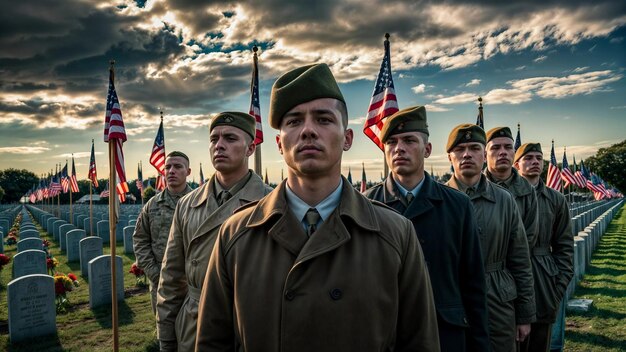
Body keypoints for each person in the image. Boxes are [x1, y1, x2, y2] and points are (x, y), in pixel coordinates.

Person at [196, 63, 440, 351]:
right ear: (279, 143)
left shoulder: (395, 234)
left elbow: (419, 342)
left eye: (323, 120)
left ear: (347, 138)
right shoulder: (236, 235)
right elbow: (213, 342)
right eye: (294, 121)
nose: (308, 130)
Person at [365, 106, 489, 351]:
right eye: (391, 142)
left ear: (428, 149)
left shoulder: (457, 205)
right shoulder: (367, 205)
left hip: (446, 333)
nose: (399, 148)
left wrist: (480, 344)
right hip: (389, 335)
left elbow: (473, 284)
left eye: (409, 140)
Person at [156, 112, 272, 351]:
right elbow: (171, 279)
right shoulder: (187, 205)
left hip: (250, 327)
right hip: (194, 327)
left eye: (230, 138)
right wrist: (167, 338)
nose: (219, 145)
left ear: (250, 149)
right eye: (214, 139)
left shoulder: (272, 202)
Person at [445, 123, 535, 352]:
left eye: (474, 148)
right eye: (460, 149)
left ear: (484, 155)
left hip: (498, 300)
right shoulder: (439, 200)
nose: (467, 154)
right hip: (454, 300)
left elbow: (520, 260)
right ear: (450, 157)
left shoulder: (505, 200)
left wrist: (524, 314)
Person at [514, 143, 574, 352]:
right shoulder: (505, 196)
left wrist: (557, 288)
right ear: (517, 164)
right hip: (511, 279)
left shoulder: (555, 199)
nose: (535, 162)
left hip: (544, 280)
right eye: (528, 158)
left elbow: (564, 246)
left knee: (539, 344)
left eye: (539, 158)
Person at [133, 151, 193, 315]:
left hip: (193, 283)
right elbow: (140, 240)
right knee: (165, 331)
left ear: (188, 172)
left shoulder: (200, 201)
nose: (171, 171)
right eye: (168, 167)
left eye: (178, 166)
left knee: (194, 332)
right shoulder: (152, 205)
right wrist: (154, 274)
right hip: (161, 280)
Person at [485, 127, 539, 250]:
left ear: (514, 153)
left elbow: (529, 237)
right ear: (484, 154)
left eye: (508, 147)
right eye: (496, 147)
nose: (503, 152)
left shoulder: (528, 190)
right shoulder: (475, 187)